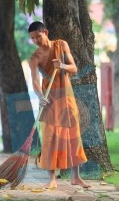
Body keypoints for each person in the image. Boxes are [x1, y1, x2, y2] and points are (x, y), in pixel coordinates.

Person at [28, 21, 90, 189]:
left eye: (38, 36)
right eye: (33, 38)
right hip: (49, 100)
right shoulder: (34, 58)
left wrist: (61, 65)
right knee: (49, 138)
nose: (36, 41)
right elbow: (34, 81)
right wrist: (40, 96)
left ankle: (75, 177)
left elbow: (74, 68)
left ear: (45, 32)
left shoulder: (61, 45)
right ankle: (52, 179)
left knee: (73, 136)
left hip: (67, 98)